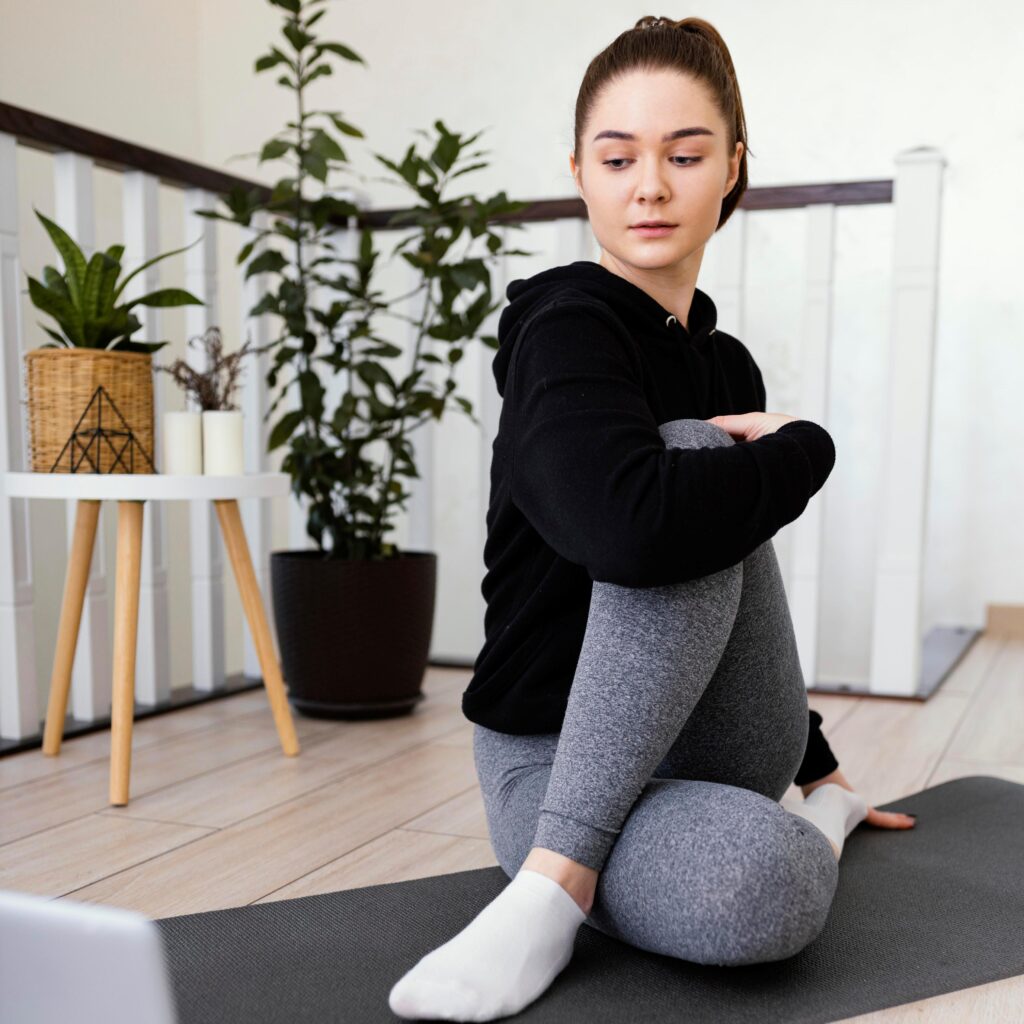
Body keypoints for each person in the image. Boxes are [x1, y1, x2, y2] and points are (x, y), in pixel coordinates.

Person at [389, 15, 917, 1022]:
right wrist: (807, 444)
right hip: (548, 754)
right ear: (579, 172)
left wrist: (811, 758)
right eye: (617, 156)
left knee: (701, 461)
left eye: (684, 154)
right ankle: (557, 870)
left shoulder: (728, 365)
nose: (649, 185)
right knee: (765, 885)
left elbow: (731, 576)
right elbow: (632, 531)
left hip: (712, 739)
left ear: (732, 169)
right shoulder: (563, 328)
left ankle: (770, 822)